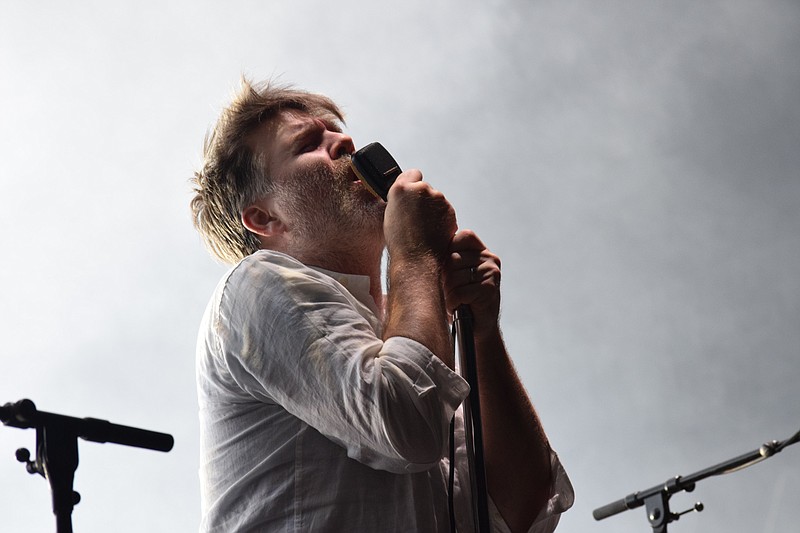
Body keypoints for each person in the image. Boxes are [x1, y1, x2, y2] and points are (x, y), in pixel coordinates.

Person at [190, 79, 573, 533]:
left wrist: (482, 332)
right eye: (310, 143)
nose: (345, 143)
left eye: (337, 132)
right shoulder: (255, 285)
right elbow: (407, 422)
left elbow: (526, 508)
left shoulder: (410, 326)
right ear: (265, 217)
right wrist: (414, 257)